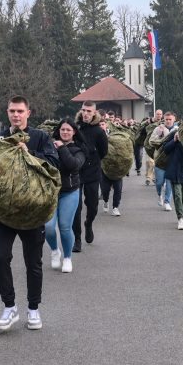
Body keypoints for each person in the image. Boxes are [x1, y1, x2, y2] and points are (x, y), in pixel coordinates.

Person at [0, 95, 60, 332]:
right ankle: (9, 307)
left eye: (20, 111)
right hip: (4, 213)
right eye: (12, 111)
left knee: (33, 263)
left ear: (28, 113)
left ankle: (33, 309)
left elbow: (54, 164)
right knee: (0, 257)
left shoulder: (41, 137)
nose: (16, 115)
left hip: (32, 212)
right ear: (7, 113)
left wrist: (28, 152)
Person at [45, 119, 86, 274]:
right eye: (62, 129)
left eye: (68, 130)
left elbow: (73, 165)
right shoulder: (50, 146)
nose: (65, 132)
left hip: (70, 192)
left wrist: (62, 148)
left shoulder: (79, 150)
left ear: (74, 132)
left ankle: (67, 258)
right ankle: (55, 250)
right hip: (50, 192)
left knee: (64, 226)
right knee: (48, 227)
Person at [73, 101, 109, 252]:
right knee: (76, 207)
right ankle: (77, 239)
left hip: (92, 173)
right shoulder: (75, 128)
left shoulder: (98, 131)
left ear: (94, 113)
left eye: (89, 111)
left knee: (92, 206)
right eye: (83, 110)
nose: (85, 113)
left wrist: (92, 159)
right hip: (75, 172)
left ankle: (88, 223)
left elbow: (104, 152)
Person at [163, 125, 183, 230]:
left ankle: (182, 211)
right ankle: (180, 218)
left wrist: (180, 142)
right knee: (177, 195)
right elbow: (165, 149)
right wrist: (174, 140)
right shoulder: (173, 134)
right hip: (174, 170)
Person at [150, 111, 178, 212]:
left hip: (172, 161)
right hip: (160, 161)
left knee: (169, 183)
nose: (168, 121)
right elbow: (151, 142)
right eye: (166, 119)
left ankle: (167, 202)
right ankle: (159, 195)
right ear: (164, 119)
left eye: (170, 119)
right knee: (159, 183)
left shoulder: (178, 130)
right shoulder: (158, 129)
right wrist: (159, 135)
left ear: (174, 119)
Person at [100, 120, 123, 216]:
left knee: (118, 188)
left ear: (106, 125)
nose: (101, 126)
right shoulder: (96, 136)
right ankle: (105, 201)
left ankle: (115, 207)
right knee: (105, 189)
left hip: (116, 166)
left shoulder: (114, 134)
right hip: (104, 167)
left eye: (102, 124)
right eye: (99, 125)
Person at [143, 109, 163, 186]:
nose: (159, 116)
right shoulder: (149, 121)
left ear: (162, 115)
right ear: (155, 114)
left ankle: (154, 178)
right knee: (149, 162)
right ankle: (148, 177)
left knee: (157, 163)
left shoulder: (163, 122)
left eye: (160, 114)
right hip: (149, 145)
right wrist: (149, 122)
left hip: (158, 146)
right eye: (157, 114)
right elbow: (142, 127)